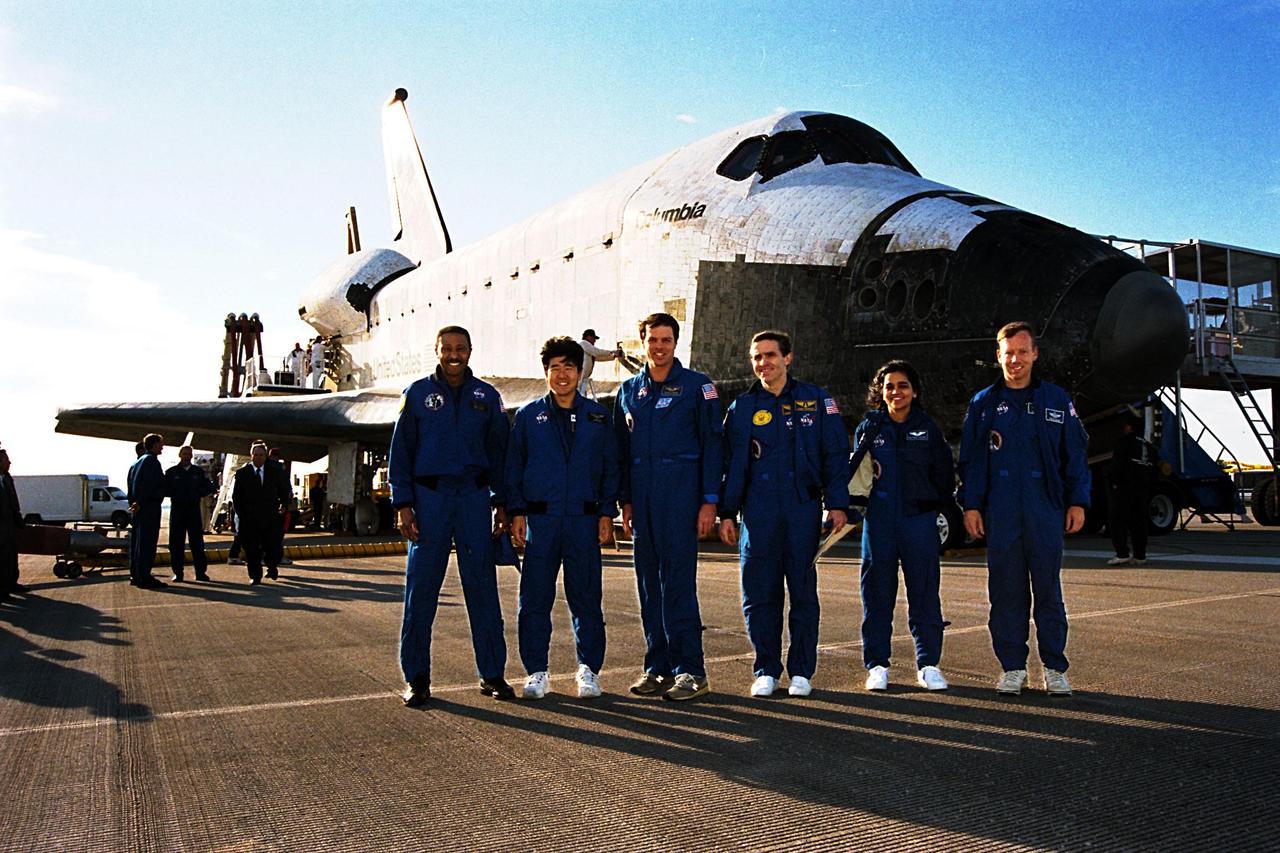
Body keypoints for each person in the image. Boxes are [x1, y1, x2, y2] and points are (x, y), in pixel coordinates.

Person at [958, 321, 1090, 697]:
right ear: (997, 357)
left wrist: (1078, 500)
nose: (1015, 360)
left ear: (1035, 354)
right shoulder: (983, 404)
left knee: (1048, 590)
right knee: (1006, 592)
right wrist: (971, 506)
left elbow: (1074, 456)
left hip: (1044, 508)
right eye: (1008, 353)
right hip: (1000, 512)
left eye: (1022, 352)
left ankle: (1054, 667)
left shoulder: (1056, 400)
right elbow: (971, 461)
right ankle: (1013, 667)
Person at [718, 331, 849, 698]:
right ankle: (766, 668)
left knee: (803, 593)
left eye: (770, 355)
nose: (763, 363)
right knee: (760, 594)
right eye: (757, 357)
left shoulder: (817, 401)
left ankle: (802, 671)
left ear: (787, 358)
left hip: (802, 511)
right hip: (757, 513)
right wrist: (727, 513)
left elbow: (836, 455)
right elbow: (730, 466)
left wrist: (837, 503)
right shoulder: (742, 409)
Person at [390, 325, 515, 706]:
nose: (454, 355)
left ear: (470, 350)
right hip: (430, 501)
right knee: (421, 591)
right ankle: (417, 679)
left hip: (474, 499)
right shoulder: (417, 394)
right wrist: (403, 504)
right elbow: (401, 451)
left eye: (460, 348)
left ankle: (491, 674)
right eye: (447, 349)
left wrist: (503, 504)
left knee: (482, 589)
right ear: (437, 350)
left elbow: (500, 456)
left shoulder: (487, 397)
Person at [615, 312, 723, 702]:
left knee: (677, 586)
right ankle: (657, 667)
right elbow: (621, 454)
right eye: (652, 340)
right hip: (642, 504)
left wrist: (710, 501)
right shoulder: (629, 391)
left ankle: (691, 671)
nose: (659, 347)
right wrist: (625, 501)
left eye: (666, 340)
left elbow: (713, 446)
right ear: (641, 343)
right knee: (648, 589)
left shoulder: (698, 387)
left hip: (681, 500)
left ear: (675, 343)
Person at [506, 337, 619, 700]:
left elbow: (610, 469)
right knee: (535, 599)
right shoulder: (527, 417)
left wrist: (606, 513)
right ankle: (537, 671)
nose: (562, 374)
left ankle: (588, 670)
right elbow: (514, 468)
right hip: (541, 521)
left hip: (584, 522)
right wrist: (517, 512)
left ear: (580, 371)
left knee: (586, 598)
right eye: (554, 367)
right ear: (545, 373)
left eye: (569, 367)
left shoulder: (599, 416)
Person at [852, 361, 955, 693]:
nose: (897, 392)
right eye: (890, 386)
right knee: (877, 595)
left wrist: (930, 505)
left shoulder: (928, 428)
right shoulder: (869, 427)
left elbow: (943, 473)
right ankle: (878, 665)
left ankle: (928, 664)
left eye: (903, 385)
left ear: (915, 390)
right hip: (879, 522)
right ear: (881, 392)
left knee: (924, 594)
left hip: (918, 522)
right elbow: (857, 472)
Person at [231, 441, 290, 585]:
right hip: (249, 518)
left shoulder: (275, 472)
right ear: (251, 456)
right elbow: (236, 497)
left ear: (265, 456)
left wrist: (284, 505)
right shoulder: (242, 473)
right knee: (252, 550)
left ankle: (272, 566)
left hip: (270, 517)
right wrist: (242, 516)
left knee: (272, 546)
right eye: (255, 455)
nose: (258, 457)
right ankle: (255, 576)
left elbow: (284, 491)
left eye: (261, 455)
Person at [1107, 415, 1157, 566]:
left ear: (1129, 427)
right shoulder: (1148, 446)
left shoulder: (1124, 442)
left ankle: (1122, 552)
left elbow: (1117, 463)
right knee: (1139, 522)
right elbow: (1155, 467)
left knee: (1117, 521)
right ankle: (1140, 555)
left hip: (1125, 487)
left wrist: (1114, 482)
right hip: (1142, 488)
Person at [165, 445, 216, 582]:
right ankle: (178, 573)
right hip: (177, 510)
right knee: (176, 544)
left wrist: (198, 493)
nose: (187, 456)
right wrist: (176, 494)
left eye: (189, 454)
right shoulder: (171, 472)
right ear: (180, 455)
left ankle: (200, 572)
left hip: (193, 510)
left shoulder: (197, 472)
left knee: (197, 543)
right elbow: (164, 488)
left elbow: (209, 486)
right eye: (185, 453)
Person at [127, 433, 167, 589]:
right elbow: (151, 486)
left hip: (138, 509)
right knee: (147, 543)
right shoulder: (152, 462)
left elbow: (132, 486)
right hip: (148, 507)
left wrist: (134, 503)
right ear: (154, 444)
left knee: (137, 542)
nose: (162, 447)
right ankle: (144, 576)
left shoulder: (136, 463)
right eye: (161, 444)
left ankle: (136, 575)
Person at [0, 447, 25, 602]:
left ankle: (11, 584)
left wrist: (18, 520)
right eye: (5, 460)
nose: (9, 462)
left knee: (10, 556)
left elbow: (12, 503)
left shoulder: (7, 478)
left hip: (8, 525)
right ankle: (2, 592)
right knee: (2, 559)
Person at [577, 328, 622, 398]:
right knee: (578, 396)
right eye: (593, 338)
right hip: (580, 378)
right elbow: (596, 352)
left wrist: (613, 356)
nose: (595, 341)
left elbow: (598, 358)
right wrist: (612, 352)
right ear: (588, 337)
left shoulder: (589, 349)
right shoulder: (584, 343)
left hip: (584, 378)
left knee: (582, 397)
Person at [267, 448, 293, 567]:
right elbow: (286, 488)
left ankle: (270, 557)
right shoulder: (280, 469)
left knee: (271, 534)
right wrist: (286, 503)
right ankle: (277, 557)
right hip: (277, 505)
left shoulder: (266, 468)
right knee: (276, 534)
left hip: (272, 505)